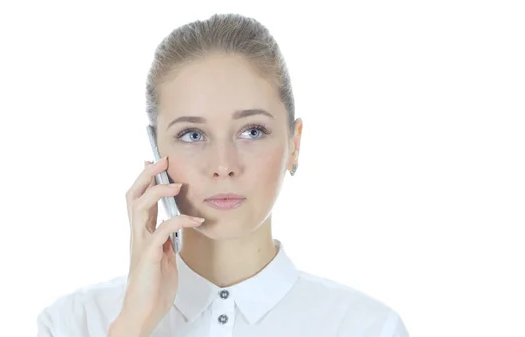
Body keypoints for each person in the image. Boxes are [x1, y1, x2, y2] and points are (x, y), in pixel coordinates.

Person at [36, 13, 409, 337]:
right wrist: (131, 325)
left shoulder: (367, 328)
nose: (223, 164)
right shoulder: (76, 322)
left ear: (294, 145)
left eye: (252, 131)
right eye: (192, 135)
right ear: (154, 152)